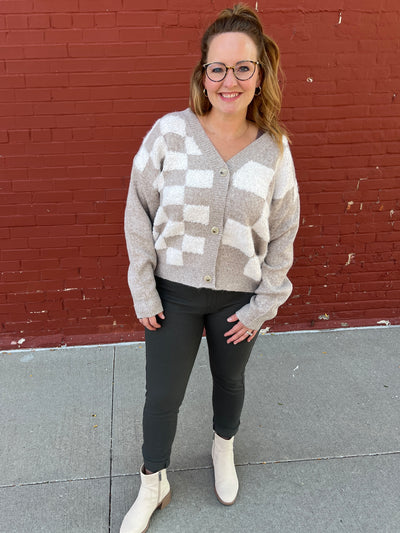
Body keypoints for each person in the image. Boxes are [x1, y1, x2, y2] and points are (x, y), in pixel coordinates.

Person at [121, 4, 300, 532]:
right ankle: (153, 481)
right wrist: (143, 288)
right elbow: (138, 208)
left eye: (242, 67)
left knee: (230, 381)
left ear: (260, 73)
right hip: (173, 294)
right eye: (217, 68)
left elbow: (285, 230)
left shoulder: (275, 151)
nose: (229, 80)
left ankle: (224, 447)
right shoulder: (170, 133)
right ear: (203, 74)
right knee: (163, 396)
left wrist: (264, 304)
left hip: (237, 301)